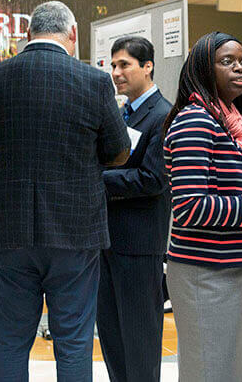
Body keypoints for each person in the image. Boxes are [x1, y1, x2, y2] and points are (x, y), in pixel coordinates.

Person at [0, 1, 130, 382]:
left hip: (10, 227)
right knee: (73, 343)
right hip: (76, 229)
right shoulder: (94, 81)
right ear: (72, 34)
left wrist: (7, 168)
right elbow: (119, 151)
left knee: (10, 342)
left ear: (28, 34)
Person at [163, 31, 242, 382]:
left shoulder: (226, 121)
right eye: (227, 62)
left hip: (230, 269)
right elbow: (190, 207)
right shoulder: (195, 121)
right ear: (202, 68)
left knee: (234, 370)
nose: (239, 69)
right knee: (210, 370)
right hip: (206, 273)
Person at [97, 36, 172, 382]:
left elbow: (153, 179)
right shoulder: (119, 113)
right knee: (111, 335)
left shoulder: (163, 115)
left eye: (124, 64)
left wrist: (96, 179)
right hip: (106, 241)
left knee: (140, 340)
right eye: (113, 65)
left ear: (147, 66)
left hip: (140, 246)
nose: (116, 72)